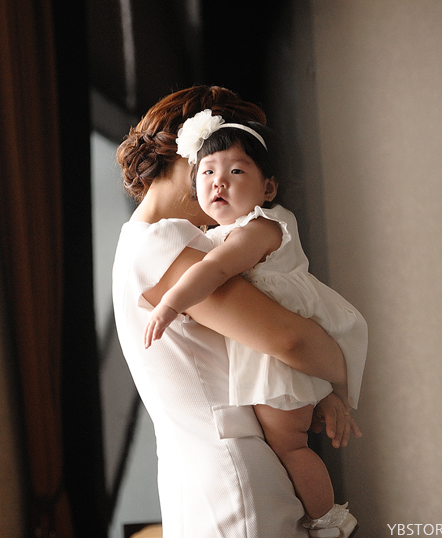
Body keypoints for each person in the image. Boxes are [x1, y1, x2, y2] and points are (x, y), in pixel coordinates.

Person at [113, 85, 359, 538]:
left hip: (203, 476)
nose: (221, 183)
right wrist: (343, 370)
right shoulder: (162, 243)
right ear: (192, 152)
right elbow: (290, 340)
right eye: (214, 163)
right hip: (235, 477)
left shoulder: (142, 242)